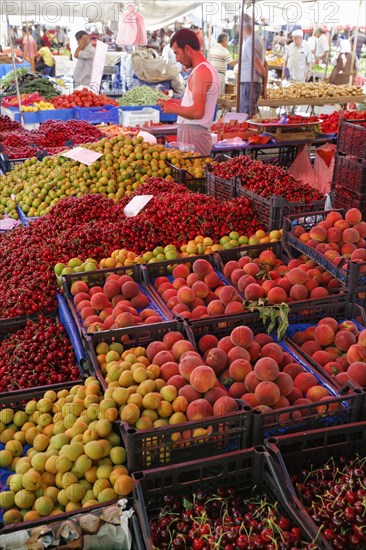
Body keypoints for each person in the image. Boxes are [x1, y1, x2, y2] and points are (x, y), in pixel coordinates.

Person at [157, 28, 220, 156]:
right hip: (194, 134)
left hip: (195, 136)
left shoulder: (202, 72)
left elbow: (197, 112)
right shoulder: (202, 70)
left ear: (187, 49)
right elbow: (197, 103)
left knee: (193, 174)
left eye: (177, 53)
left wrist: (174, 109)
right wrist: (176, 103)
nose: (177, 59)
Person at [239, 20, 268, 117]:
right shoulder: (258, 39)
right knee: (250, 115)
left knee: (246, 117)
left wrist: (263, 80)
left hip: (249, 85)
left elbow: (261, 69)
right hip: (253, 84)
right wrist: (264, 86)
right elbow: (266, 64)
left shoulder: (249, 43)